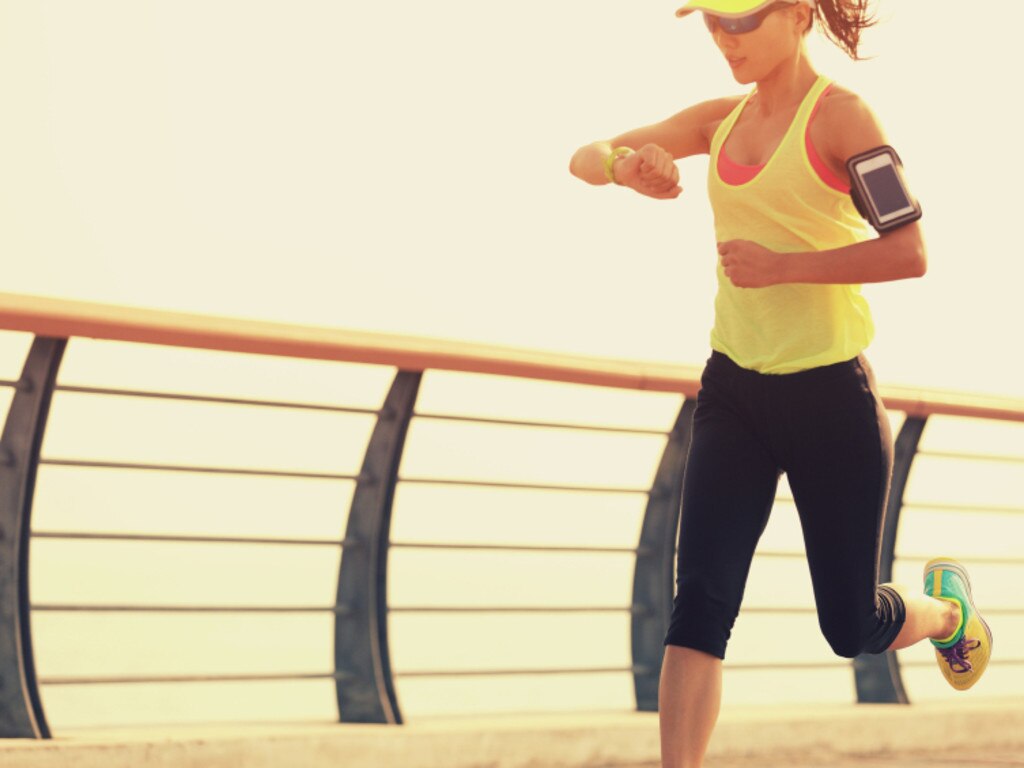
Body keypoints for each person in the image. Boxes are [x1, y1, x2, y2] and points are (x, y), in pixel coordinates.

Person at [567, 2, 992, 767]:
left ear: (796, 14)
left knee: (851, 626)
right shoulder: (716, 122)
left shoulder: (844, 120)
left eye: (741, 23)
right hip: (734, 392)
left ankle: (949, 613)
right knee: (698, 605)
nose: (725, 40)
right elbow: (584, 155)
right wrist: (625, 169)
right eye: (713, 24)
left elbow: (909, 252)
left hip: (830, 398)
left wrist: (786, 267)